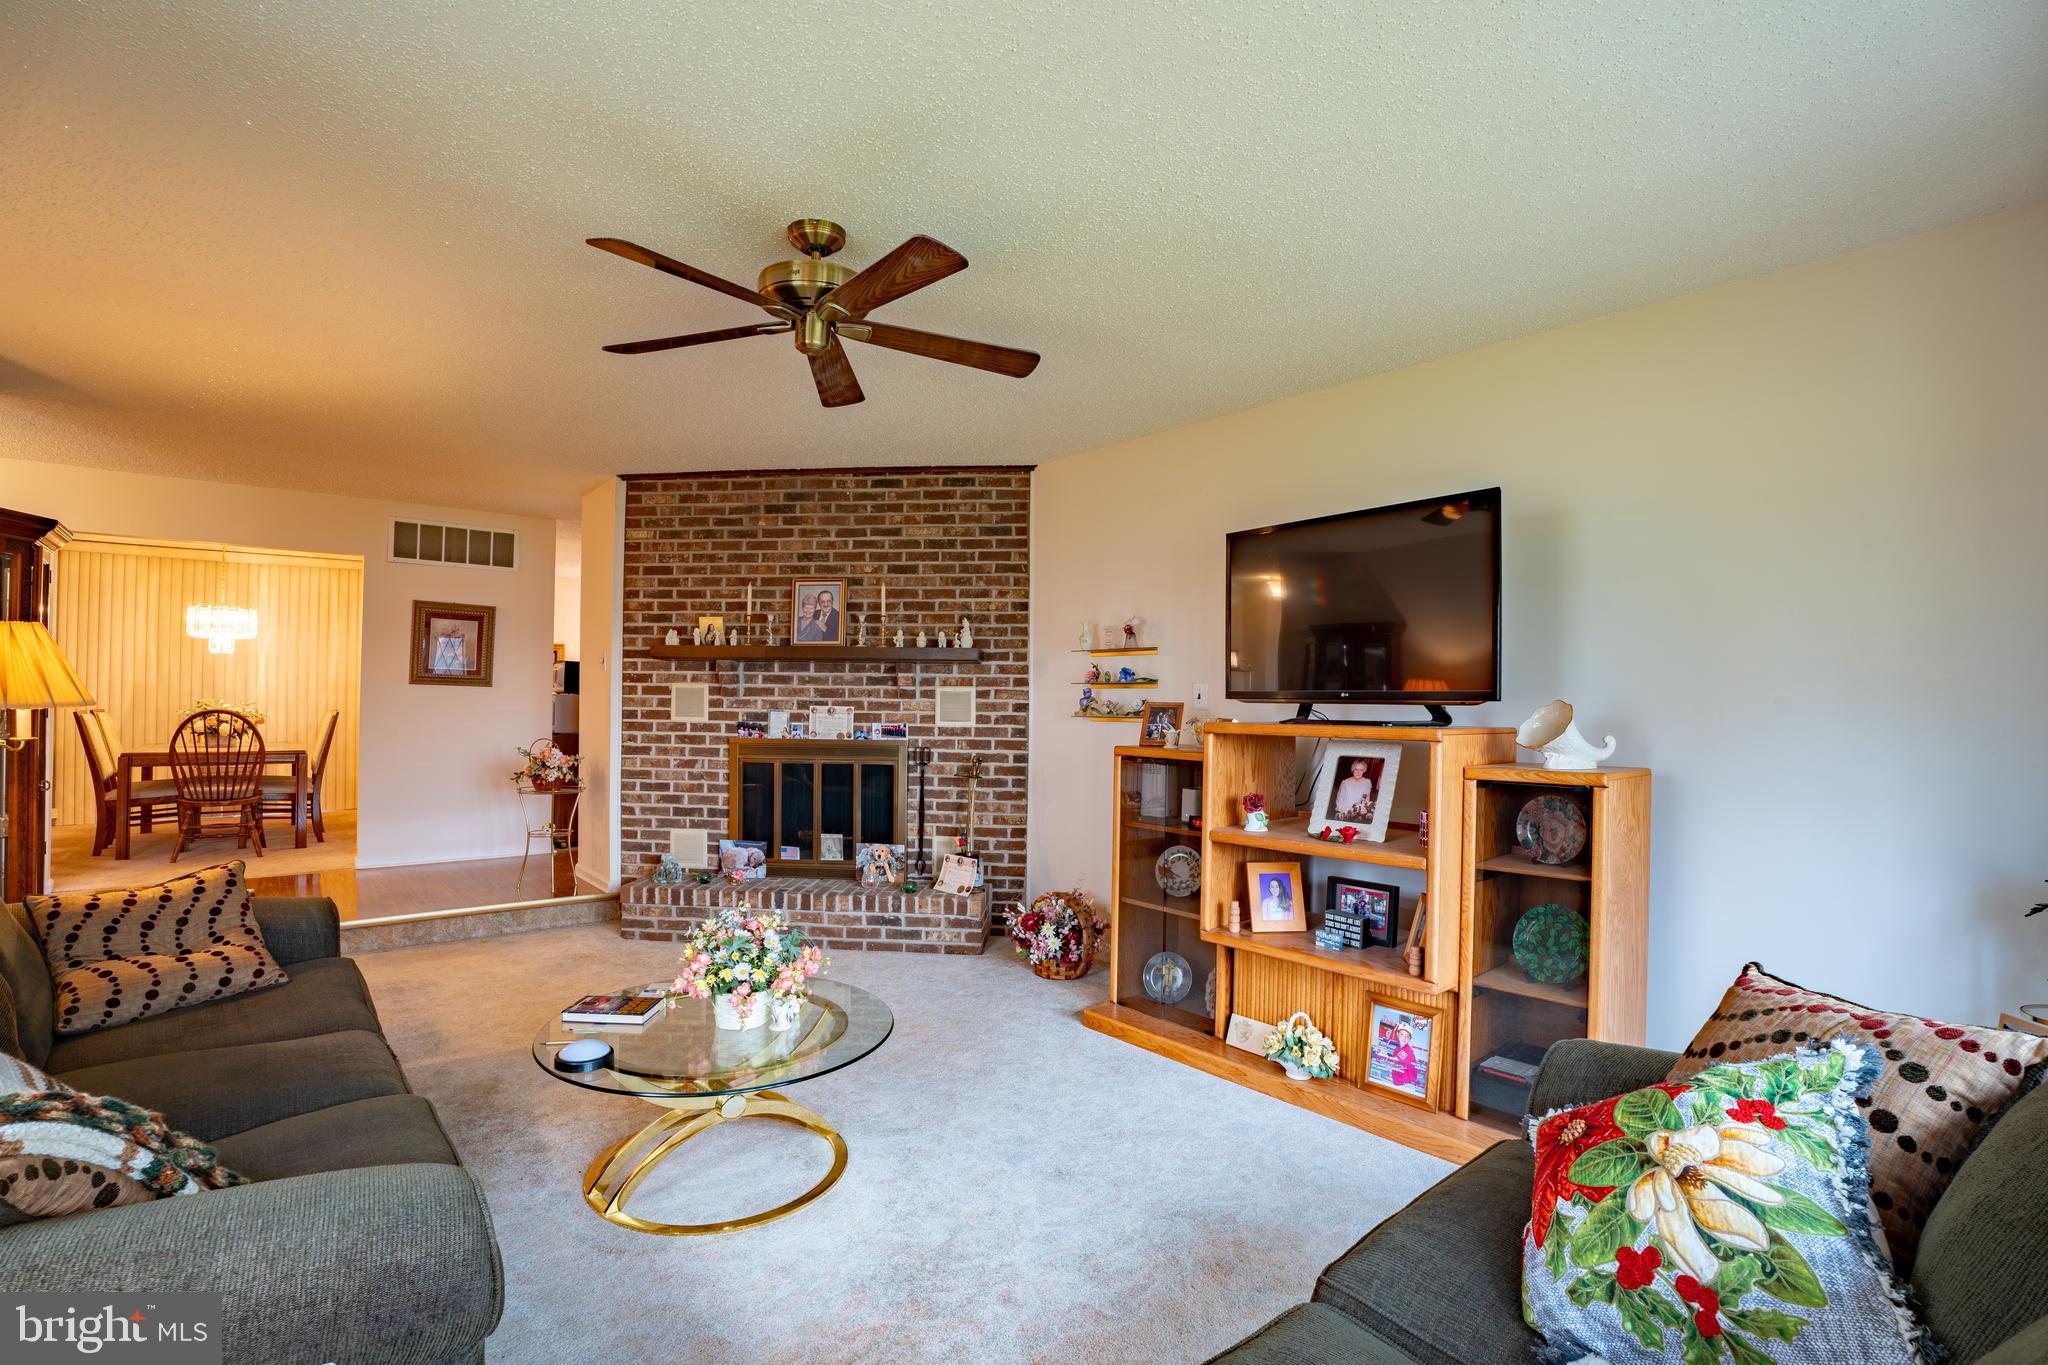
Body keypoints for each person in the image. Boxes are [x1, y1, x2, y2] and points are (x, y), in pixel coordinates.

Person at [1333, 756, 1378, 821]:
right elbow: (1339, 801)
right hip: (1345, 812)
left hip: (1359, 814)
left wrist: (1363, 810)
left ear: (1364, 771)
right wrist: (1347, 812)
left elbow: (1366, 800)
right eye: (1356, 769)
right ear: (1353, 770)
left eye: (1361, 770)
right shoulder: (1345, 782)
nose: (1358, 772)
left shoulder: (1367, 782)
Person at [1389, 1022, 1421, 1091]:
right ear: (1397, 1034)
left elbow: (1394, 1060)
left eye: (1407, 1036)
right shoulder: (1397, 1050)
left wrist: (1380, 1053)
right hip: (1399, 1082)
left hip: (1406, 1084)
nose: (1404, 1038)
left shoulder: (1407, 1050)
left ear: (1410, 1038)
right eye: (1402, 1034)